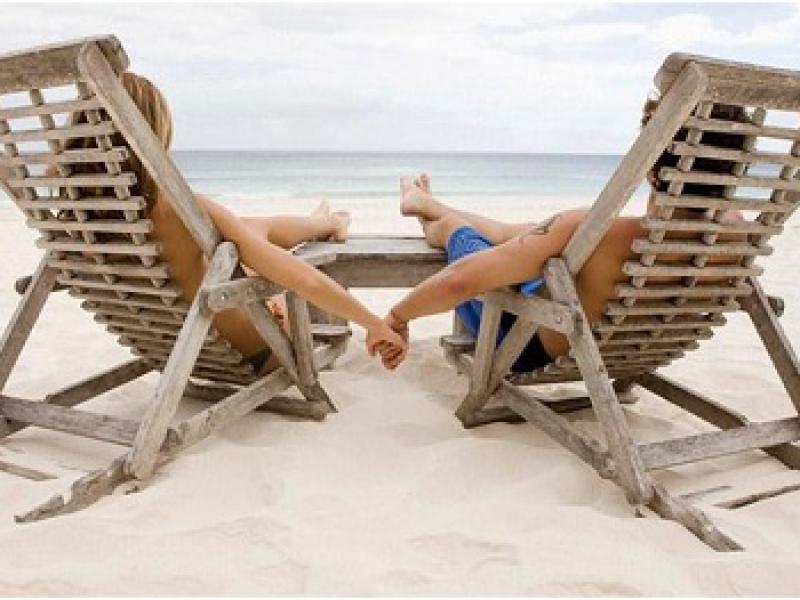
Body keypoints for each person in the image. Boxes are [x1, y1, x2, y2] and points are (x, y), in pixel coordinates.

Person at [58, 72, 406, 371]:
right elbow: (304, 280)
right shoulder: (181, 210)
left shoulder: (72, 224)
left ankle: (323, 222)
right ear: (152, 135)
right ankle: (327, 224)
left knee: (242, 232)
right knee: (248, 236)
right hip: (256, 350)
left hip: (170, 348)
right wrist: (375, 324)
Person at [384, 101, 751, 372]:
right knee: (531, 234)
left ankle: (433, 215)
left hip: (522, 345)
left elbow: (459, 282)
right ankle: (428, 204)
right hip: (624, 349)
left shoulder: (597, 230)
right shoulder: (737, 235)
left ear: (650, 166)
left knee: (457, 231)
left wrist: (399, 316)